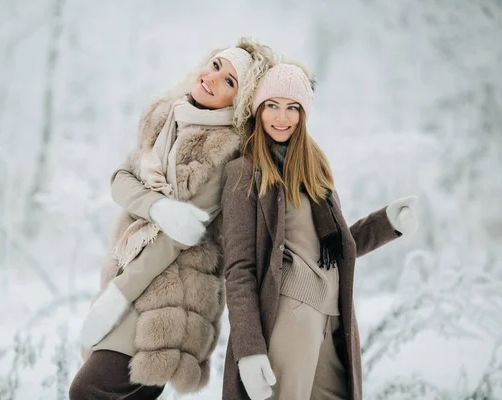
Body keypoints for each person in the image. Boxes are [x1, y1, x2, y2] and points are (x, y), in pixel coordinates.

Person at [69, 38, 276, 400]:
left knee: (88, 391)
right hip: (130, 276)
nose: (213, 78)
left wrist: (117, 297)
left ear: (239, 102)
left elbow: (176, 238)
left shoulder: (225, 152)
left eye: (230, 81)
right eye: (215, 66)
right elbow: (120, 180)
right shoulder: (165, 118)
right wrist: (158, 207)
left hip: (169, 301)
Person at [221, 63, 419, 400]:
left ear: (303, 114)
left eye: (292, 107)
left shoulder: (314, 172)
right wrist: (249, 349)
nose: (281, 117)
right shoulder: (244, 173)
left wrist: (386, 224)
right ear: (258, 110)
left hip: (334, 316)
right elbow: (239, 269)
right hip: (290, 313)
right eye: (272, 105)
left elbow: (334, 246)